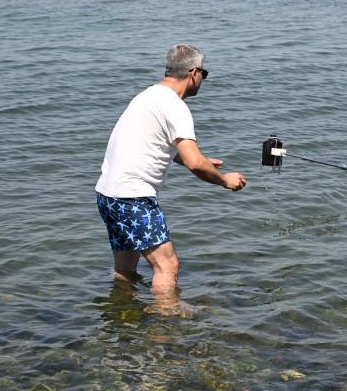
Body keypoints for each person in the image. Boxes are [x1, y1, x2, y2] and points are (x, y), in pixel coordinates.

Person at [95, 44, 247, 312]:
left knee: (125, 268)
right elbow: (194, 163)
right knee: (167, 266)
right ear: (194, 73)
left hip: (109, 194)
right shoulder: (175, 107)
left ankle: (122, 317)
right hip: (133, 197)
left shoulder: (147, 96)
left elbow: (154, 143)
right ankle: (165, 336)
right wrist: (224, 180)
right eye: (205, 74)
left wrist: (191, 158)